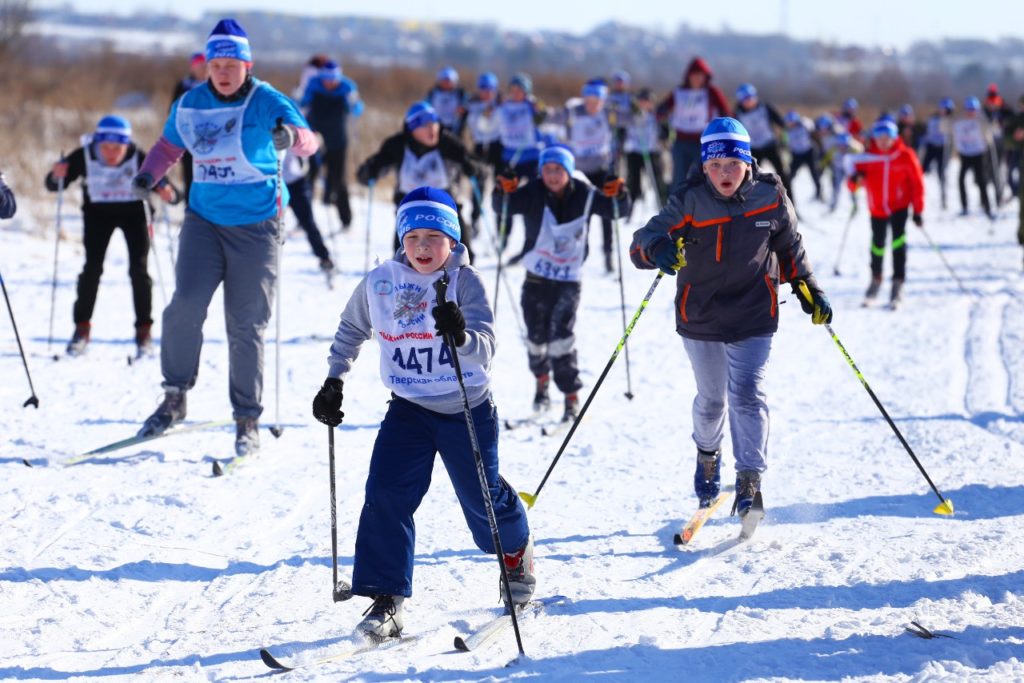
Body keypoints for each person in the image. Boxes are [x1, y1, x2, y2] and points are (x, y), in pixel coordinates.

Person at [311, 186, 534, 639]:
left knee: (483, 501)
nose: (423, 248)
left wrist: (461, 337)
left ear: (452, 240)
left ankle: (515, 554)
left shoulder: (465, 282)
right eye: (413, 238)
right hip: (408, 407)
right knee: (386, 493)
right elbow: (353, 326)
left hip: (465, 408)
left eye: (434, 237)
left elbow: (486, 349)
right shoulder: (383, 280)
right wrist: (335, 379)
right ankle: (386, 597)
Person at [131, 18, 317, 456]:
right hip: (204, 221)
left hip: (257, 225)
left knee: (245, 322)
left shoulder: (265, 100)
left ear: (247, 65)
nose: (225, 71)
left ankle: (246, 418)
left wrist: (289, 136)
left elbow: (309, 141)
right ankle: (174, 396)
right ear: (207, 66)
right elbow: (167, 146)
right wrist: (148, 174)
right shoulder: (190, 103)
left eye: (233, 63)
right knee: (183, 307)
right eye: (217, 64)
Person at [629, 117, 831, 520]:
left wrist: (807, 285)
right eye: (716, 165)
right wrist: (659, 249)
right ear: (704, 166)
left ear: (748, 162)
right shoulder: (689, 198)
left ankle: (749, 480)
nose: (725, 174)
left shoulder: (770, 195)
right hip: (700, 313)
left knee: (747, 395)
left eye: (733, 165)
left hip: (754, 310)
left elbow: (788, 245)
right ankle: (708, 456)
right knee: (712, 401)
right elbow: (641, 244)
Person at [493, 144, 630, 421]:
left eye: (558, 170)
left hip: (568, 280)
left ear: (568, 171)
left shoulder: (586, 194)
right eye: (547, 169)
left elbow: (617, 210)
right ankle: (541, 383)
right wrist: (502, 188)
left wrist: (620, 192)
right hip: (536, 278)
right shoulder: (532, 191)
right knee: (535, 337)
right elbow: (503, 206)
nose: (552, 175)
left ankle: (570, 396)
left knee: (561, 337)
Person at [44, 115, 172, 357]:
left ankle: (144, 330)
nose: (112, 153)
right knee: (92, 269)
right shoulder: (84, 154)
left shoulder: (138, 156)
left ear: (127, 145)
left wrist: (166, 190)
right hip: (98, 215)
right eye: (106, 147)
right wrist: (56, 174)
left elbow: (170, 190)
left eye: (118, 148)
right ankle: (81, 328)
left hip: (135, 214)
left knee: (139, 269)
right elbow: (53, 185)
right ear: (97, 143)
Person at [356, 101, 482, 257]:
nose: (432, 128)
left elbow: (478, 168)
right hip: (409, 210)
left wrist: (472, 168)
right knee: (403, 260)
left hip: (445, 210)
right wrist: (369, 172)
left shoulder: (448, 143)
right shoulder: (397, 144)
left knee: (463, 256)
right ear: (412, 129)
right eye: (425, 124)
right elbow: (371, 168)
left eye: (434, 122)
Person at [846, 119, 925, 309]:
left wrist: (918, 210)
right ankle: (875, 280)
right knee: (877, 245)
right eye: (879, 137)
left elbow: (917, 184)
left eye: (887, 137)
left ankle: (898, 284)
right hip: (877, 208)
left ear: (894, 137)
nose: (883, 141)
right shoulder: (868, 157)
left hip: (899, 206)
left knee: (898, 243)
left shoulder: (905, 155)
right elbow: (852, 183)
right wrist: (855, 179)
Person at [550, 79, 618, 272]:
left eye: (596, 100)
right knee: (581, 215)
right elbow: (554, 117)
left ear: (602, 101)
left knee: (606, 214)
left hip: (602, 169)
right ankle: (580, 252)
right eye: (589, 100)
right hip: (580, 173)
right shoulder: (574, 112)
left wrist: (638, 110)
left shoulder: (607, 113)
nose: (592, 105)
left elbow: (629, 118)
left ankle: (608, 252)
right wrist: (541, 114)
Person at [301, 59, 364, 230]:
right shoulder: (314, 85)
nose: (329, 83)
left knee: (338, 180)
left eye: (333, 79)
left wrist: (353, 102)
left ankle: (346, 220)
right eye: (326, 78)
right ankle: (305, 220)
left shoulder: (347, 87)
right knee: (309, 177)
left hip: (337, 140)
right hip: (314, 139)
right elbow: (303, 104)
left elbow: (357, 110)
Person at [657, 57, 731, 191]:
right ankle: (676, 208)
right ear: (689, 76)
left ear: (705, 77)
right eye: (694, 76)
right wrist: (660, 117)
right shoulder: (679, 92)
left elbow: (726, 112)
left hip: (704, 142)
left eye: (700, 76)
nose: (697, 79)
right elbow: (663, 108)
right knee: (679, 177)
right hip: (681, 141)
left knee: (704, 177)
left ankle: (706, 207)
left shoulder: (712, 92)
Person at [733, 84, 792, 201]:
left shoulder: (765, 107)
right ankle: (752, 204)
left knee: (783, 175)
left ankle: (791, 203)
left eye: (751, 97)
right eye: (745, 99)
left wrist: (785, 138)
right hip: (753, 149)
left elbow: (781, 123)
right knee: (750, 178)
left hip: (770, 145)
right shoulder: (737, 114)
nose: (749, 101)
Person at [281, 148, 333, 273]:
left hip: (296, 182)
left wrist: (313, 177)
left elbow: (311, 150)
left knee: (308, 222)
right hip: (274, 184)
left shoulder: (291, 129)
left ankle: (324, 258)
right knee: (271, 226)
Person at [465, 72, 503, 232]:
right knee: (477, 184)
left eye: (490, 89)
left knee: (500, 185)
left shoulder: (502, 104)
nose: (486, 93)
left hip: (498, 147)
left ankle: (501, 222)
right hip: (479, 147)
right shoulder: (472, 104)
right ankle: (475, 220)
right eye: (483, 89)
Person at [170, 53, 208, 204]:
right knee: (190, 176)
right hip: (189, 140)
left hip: (211, 138)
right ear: (193, 68)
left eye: (206, 67)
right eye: (200, 67)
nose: (204, 70)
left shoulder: (216, 85)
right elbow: (173, 111)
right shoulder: (184, 85)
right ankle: (191, 209)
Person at [623, 88, 668, 212]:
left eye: (647, 100)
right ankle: (628, 210)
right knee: (633, 182)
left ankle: (663, 207)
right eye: (641, 101)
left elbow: (666, 131)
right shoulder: (632, 114)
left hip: (652, 151)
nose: (644, 103)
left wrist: (664, 135)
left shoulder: (657, 116)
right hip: (634, 151)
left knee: (658, 181)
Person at [496, 73, 546, 178]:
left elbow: (544, 116)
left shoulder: (532, 104)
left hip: (530, 155)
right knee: (508, 190)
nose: (515, 93)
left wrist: (539, 109)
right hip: (510, 155)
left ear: (526, 92)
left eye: (519, 90)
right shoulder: (503, 105)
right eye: (513, 90)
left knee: (535, 189)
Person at [952, 96, 995, 219]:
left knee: (981, 180)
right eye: (969, 109)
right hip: (965, 154)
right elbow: (948, 128)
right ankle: (964, 206)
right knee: (961, 179)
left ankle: (987, 206)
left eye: (973, 109)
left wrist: (990, 127)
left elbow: (991, 132)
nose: (971, 112)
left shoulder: (982, 120)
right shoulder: (959, 120)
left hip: (978, 154)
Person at [920, 98, 955, 210]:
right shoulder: (932, 118)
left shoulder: (950, 121)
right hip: (931, 147)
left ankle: (943, 199)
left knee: (941, 173)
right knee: (921, 170)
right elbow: (926, 131)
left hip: (943, 148)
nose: (943, 111)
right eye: (942, 109)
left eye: (946, 109)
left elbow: (953, 137)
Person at [784, 110, 822, 202]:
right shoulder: (786, 131)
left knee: (814, 173)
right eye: (789, 123)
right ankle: (784, 191)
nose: (791, 124)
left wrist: (820, 149)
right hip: (796, 154)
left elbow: (815, 134)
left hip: (809, 152)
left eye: (792, 122)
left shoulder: (805, 125)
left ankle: (819, 193)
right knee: (791, 174)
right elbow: (785, 143)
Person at [426, 67, 466, 137]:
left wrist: (463, 108)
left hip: (454, 127)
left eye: (449, 81)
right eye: (444, 81)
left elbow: (467, 105)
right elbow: (426, 106)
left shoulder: (460, 94)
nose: (446, 83)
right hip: (437, 126)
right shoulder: (433, 93)